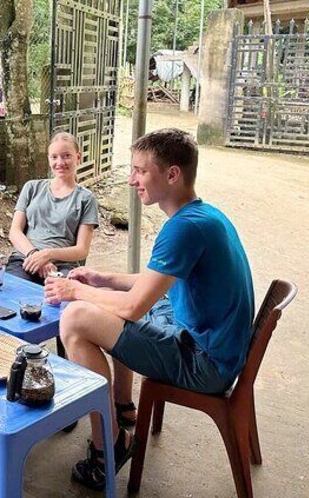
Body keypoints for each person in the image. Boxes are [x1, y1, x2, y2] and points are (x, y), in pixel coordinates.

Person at [46, 128, 254, 489]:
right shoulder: (204, 216)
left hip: (205, 363)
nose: (132, 180)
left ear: (172, 175)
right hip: (214, 344)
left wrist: (75, 290)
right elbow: (150, 284)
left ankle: (109, 446)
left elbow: (132, 306)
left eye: (140, 171)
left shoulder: (183, 230)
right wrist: (103, 278)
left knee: (76, 319)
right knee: (103, 310)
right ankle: (121, 407)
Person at [7, 132, 99, 284]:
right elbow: (15, 231)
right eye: (54, 157)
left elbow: (82, 250)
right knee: (11, 298)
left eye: (66, 156)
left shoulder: (86, 198)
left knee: (58, 301)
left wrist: (48, 254)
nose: (60, 162)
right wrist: (35, 255)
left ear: (78, 157)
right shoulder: (32, 187)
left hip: (62, 267)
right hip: (24, 260)